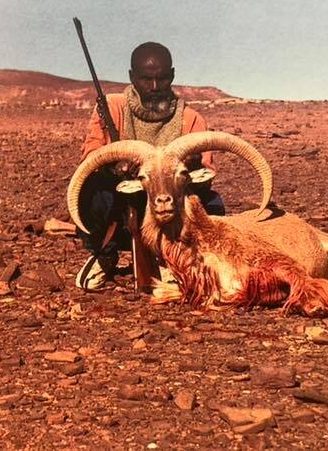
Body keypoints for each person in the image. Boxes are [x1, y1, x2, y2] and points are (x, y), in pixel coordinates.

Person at [75, 42, 225, 290]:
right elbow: (90, 156)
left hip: (171, 202)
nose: (154, 87)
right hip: (122, 203)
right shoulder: (112, 108)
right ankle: (105, 254)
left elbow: (206, 174)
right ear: (132, 77)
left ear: (172, 75)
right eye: (146, 79)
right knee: (89, 189)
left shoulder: (192, 119)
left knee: (212, 203)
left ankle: (180, 257)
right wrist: (114, 165)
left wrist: (192, 164)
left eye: (162, 78)